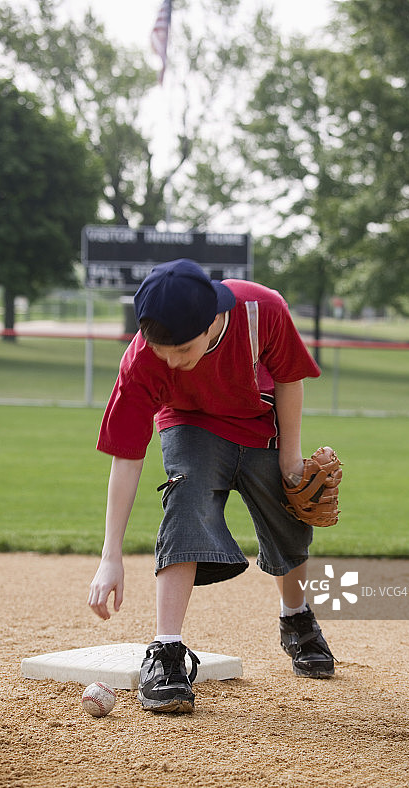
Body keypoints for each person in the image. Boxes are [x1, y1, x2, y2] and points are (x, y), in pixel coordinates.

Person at [88, 258, 339, 714]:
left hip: (258, 419)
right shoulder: (144, 357)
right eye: (161, 350)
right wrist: (111, 556)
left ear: (213, 320)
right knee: (186, 497)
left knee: (290, 519)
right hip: (189, 423)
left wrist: (290, 462)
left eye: (182, 349)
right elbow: (127, 456)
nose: (172, 361)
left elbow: (289, 378)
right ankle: (166, 651)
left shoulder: (264, 309)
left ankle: (296, 616)